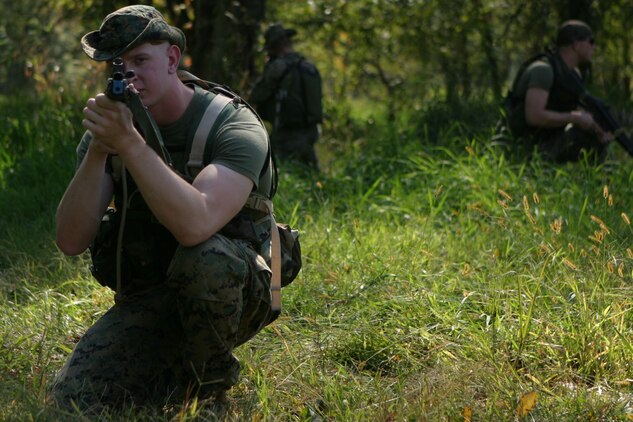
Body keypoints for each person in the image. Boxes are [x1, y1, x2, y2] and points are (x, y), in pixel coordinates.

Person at [52, 5, 277, 411]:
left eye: (140, 60)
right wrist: (99, 151)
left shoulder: (230, 124)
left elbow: (197, 224)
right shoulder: (114, 128)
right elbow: (70, 239)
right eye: (118, 65)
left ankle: (209, 386)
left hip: (238, 290)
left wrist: (131, 146)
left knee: (204, 256)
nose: (129, 74)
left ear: (172, 59)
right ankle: (172, 366)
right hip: (151, 292)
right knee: (77, 396)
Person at [498, 20, 612, 162]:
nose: (594, 47)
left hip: (542, 141)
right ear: (576, 45)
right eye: (591, 41)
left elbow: (572, 107)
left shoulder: (571, 75)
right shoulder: (543, 70)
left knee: (594, 136)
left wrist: (596, 127)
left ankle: (596, 181)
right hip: (519, 147)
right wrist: (575, 118)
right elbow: (533, 116)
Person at [250, 23, 323, 170]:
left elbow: (257, 95)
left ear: (276, 46)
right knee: (311, 173)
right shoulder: (308, 66)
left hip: (287, 134)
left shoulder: (278, 67)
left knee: (279, 172)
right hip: (311, 131)